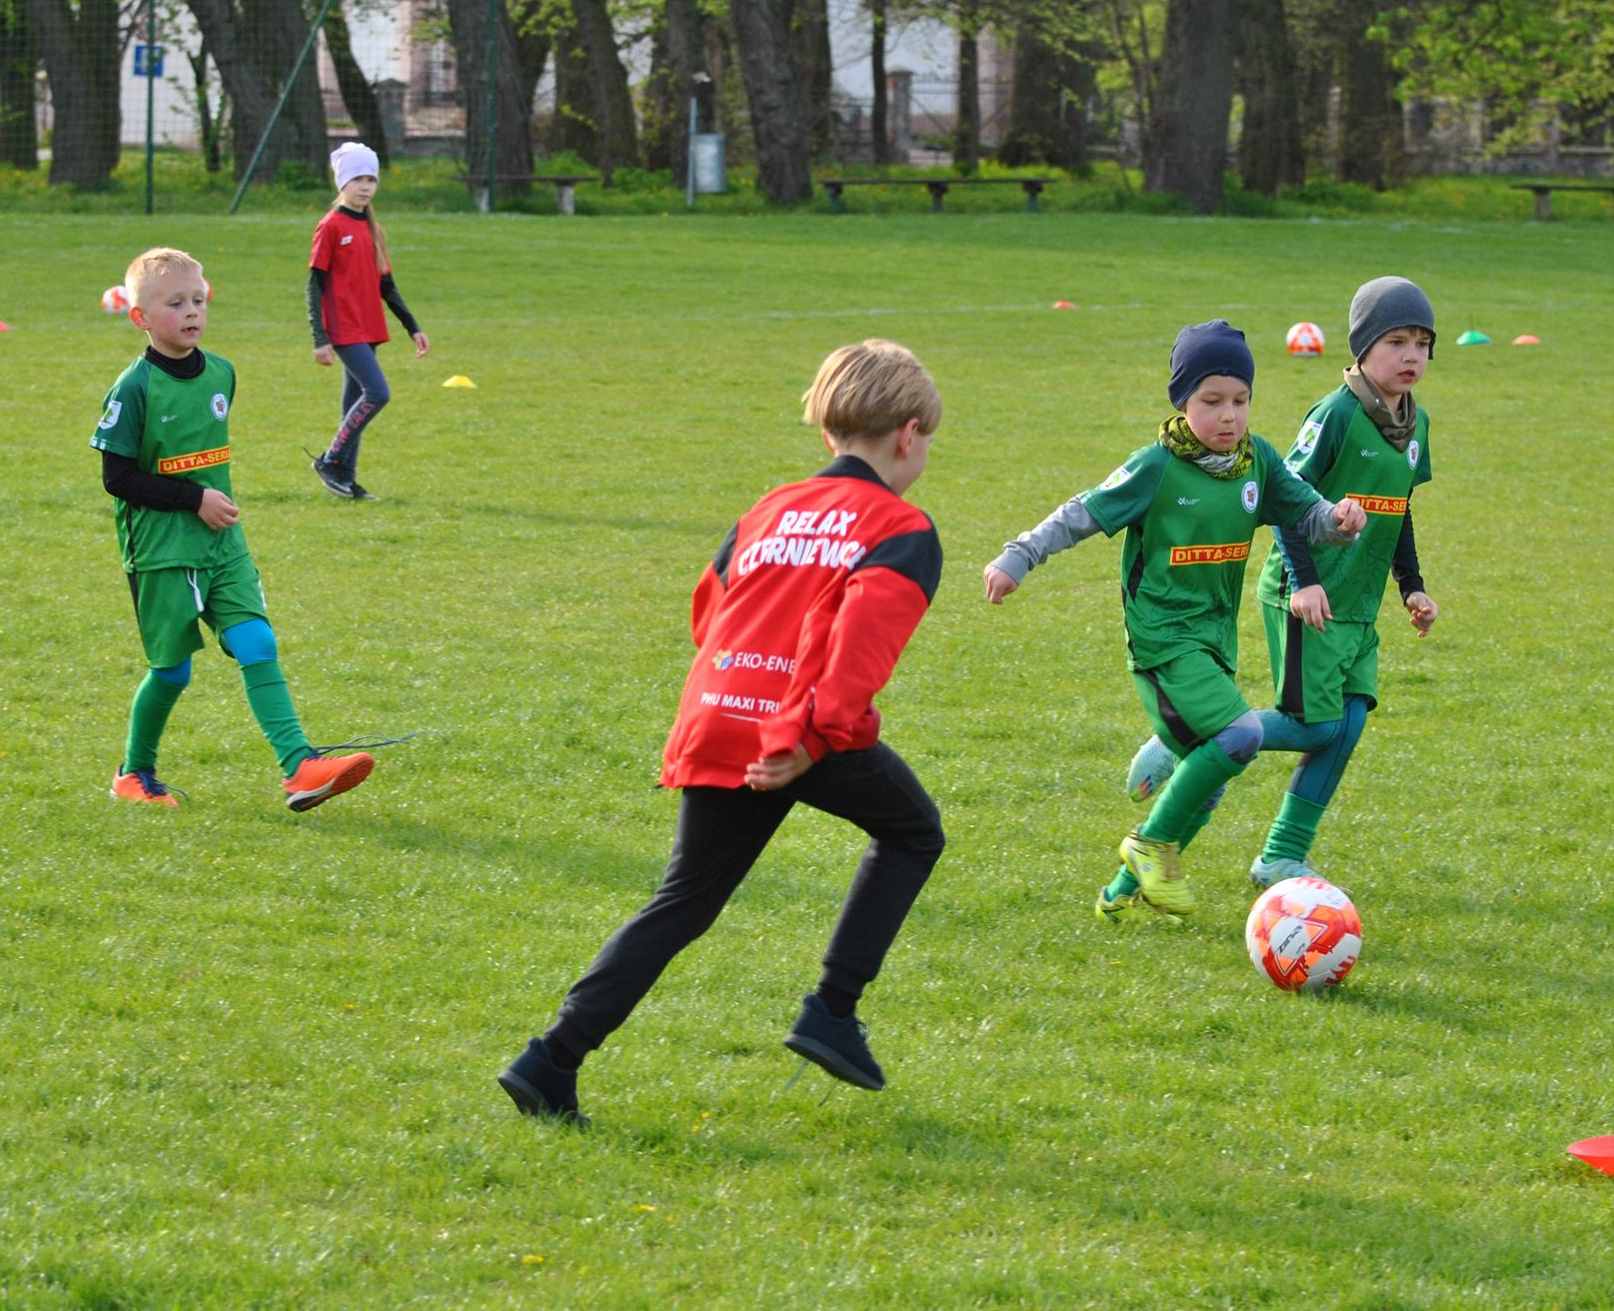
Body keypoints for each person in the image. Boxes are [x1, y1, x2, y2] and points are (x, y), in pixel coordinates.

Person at [498, 340, 947, 1124]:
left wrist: (751, 700)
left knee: (683, 901)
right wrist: (807, 742)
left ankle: (549, 1060)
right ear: (909, 435)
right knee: (913, 831)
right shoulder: (901, 529)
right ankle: (832, 1010)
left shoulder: (767, 510)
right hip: (803, 730)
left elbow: (710, 611)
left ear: (828, 433)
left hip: (719, 713)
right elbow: (857, 659)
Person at [984, 321, 1365, 921]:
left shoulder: (1257, 461)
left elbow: (1307, 515)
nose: (1228, 415)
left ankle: (1117, 895)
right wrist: (1019, 556)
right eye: (1211, 401)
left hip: (1214, 641)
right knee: (1241, 736)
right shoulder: (1156, 467)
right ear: (1182, 401)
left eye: (1240, 400)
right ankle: (1149, 845)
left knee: (1209, 780)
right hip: (1162, 641)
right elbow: (1081, 513)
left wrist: (1339, 520)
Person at [1126, 278, 1440, 890]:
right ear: (1362, 346)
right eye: (1396, 341)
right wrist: (1304, 580)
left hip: (1359, 604)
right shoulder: (1336, 415)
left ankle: (1281, 855)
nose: (1411, 356)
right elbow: (1286, 498)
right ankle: (1191, 737)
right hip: (1308, 598)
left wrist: (1412, 587)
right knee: (1316, 723)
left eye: (1422, 345)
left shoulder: (1416, 424)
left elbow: (1398, 510)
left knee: (1349, 723)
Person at [93, 246, 382, 812]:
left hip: (222, 542)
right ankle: (134, 773)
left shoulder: (222, 372)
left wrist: (209, 504)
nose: (192, 312)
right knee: (171, 672)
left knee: (256, 641)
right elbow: (117, 478)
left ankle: (300, 767)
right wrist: (193, 498)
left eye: (198, 300)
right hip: (162, 551)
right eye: (176, 304)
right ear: (141, 317)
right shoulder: (133, 388)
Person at [307, 141, 428, 501]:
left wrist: (413, 327)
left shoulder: (373, 229)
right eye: (357, 179)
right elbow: (314, 284)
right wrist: (319, 337)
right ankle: (330, 460)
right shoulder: (331, 225)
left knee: (354, 403)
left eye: (371, 179)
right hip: (344, 327)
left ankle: (346, 479)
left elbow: (386, 285)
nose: (365, 186)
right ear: (342, 182)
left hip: (369, 326)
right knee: (377, 393)